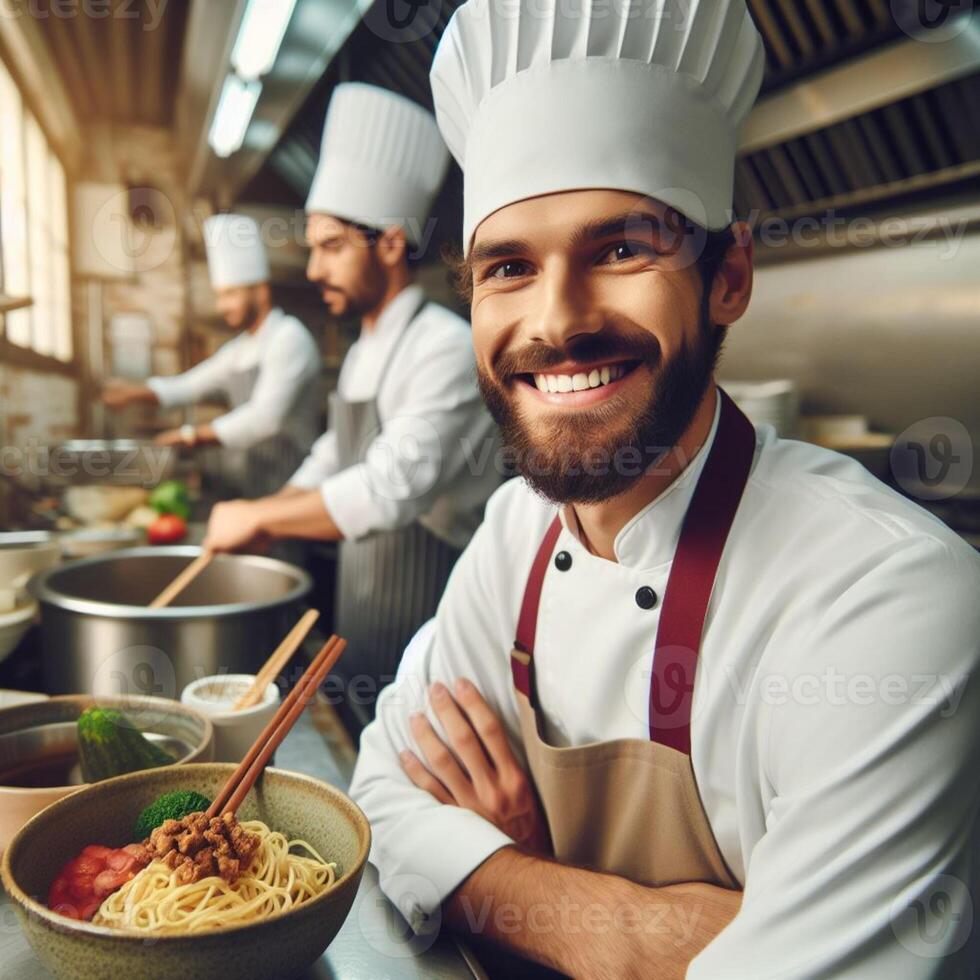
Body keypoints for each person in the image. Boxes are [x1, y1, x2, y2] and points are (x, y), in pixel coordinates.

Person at [347, 2, 980, 978]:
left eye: (619, 250)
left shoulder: (887, 595)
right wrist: (636, 927)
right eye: (506, 266)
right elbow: (380, 786)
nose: (554, 323)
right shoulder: (516, 529)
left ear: (727, 275)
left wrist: (508, 870)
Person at [204, 84, 500, 721]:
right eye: (313, 248)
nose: (313, 269)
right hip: (365, 599)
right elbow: (334, 452)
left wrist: (261, 519)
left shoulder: (445, 346)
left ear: (391, 244)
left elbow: (391, 488)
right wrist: (265, 505)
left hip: (438, 603)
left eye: (331, 246)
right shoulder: (366, 347)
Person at [103, 213, 321, 498]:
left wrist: (192, 435)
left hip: (293, 482)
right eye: (219, 295)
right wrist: (133, 393)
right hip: (254, 484)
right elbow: (188, 385)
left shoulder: (289, 337)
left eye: (231, 293)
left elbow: (263, 418)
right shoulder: (240, 349)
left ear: (262, 292)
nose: (222, 306)